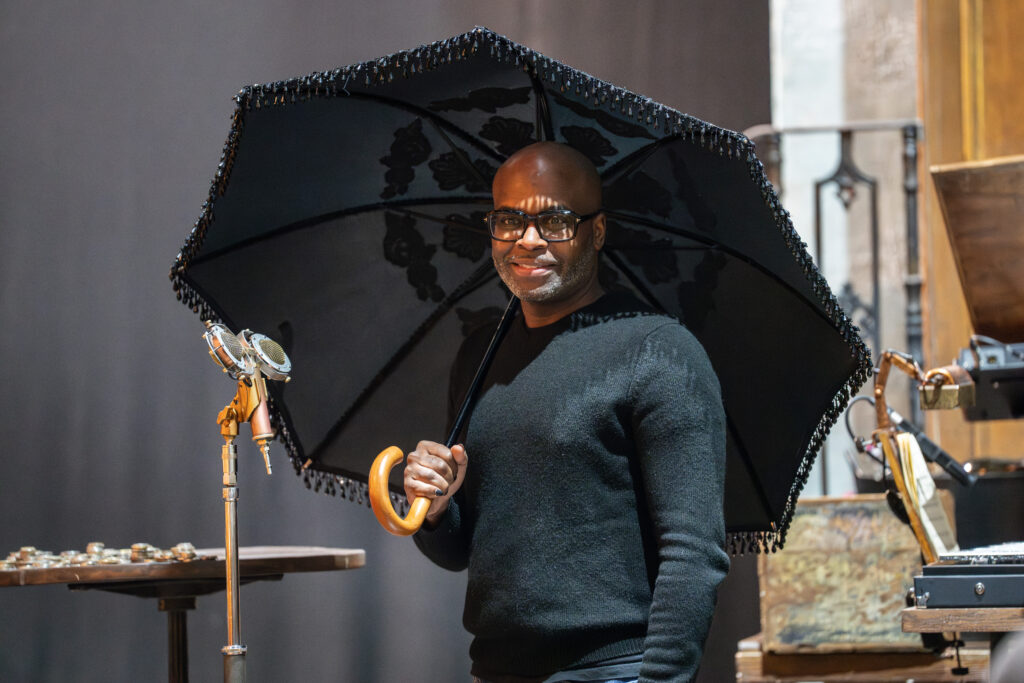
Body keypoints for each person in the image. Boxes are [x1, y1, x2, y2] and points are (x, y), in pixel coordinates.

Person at [404, 141, 728, 683]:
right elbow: (458, 552)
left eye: (554, 221)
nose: (528, 240)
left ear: (596, 232)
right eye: (509, 220)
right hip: (494, 670)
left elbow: (693, 553)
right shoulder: (481, 353)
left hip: (613, 671)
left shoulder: (657, 351)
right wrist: (435, 509)